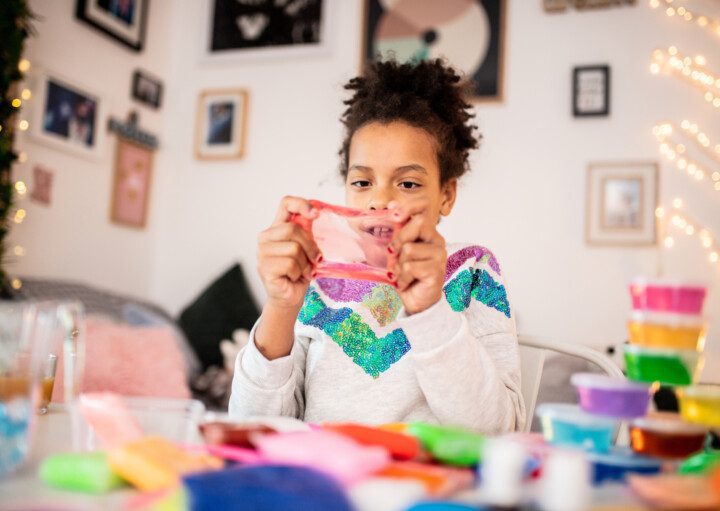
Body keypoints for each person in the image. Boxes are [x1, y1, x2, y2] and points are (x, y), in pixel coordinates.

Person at [229, 59, 525, 433]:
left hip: (429, 485)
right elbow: (250, 428)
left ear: (446, 195)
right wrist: (281, 306)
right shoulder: (317, 280)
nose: (379, 201)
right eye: (362, 182)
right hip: (325, 480)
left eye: (408, 184)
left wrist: (429, 309)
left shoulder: (473, 271)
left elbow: (500, 430)